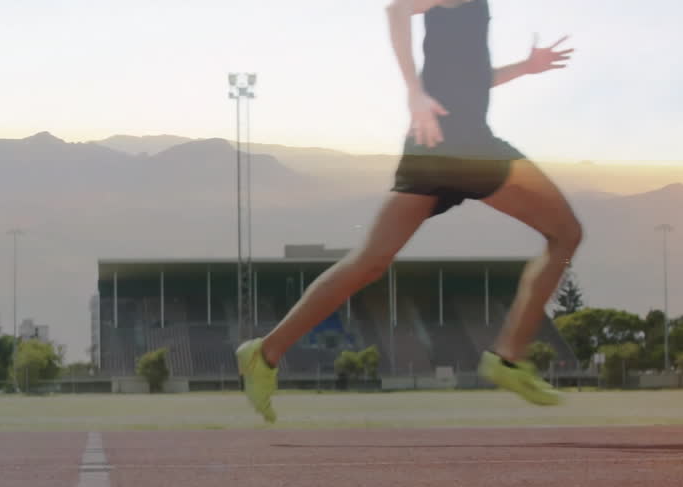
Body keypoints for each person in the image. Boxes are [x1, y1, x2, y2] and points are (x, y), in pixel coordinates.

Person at [236, 0, 578, 423]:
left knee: (369, 262)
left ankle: (265, 352)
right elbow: (397, 9)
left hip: (450, 143)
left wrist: (524, 68)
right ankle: (508, 357)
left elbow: (470, 80)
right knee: (564, 234)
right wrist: (414, 93)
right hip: (453, 143)